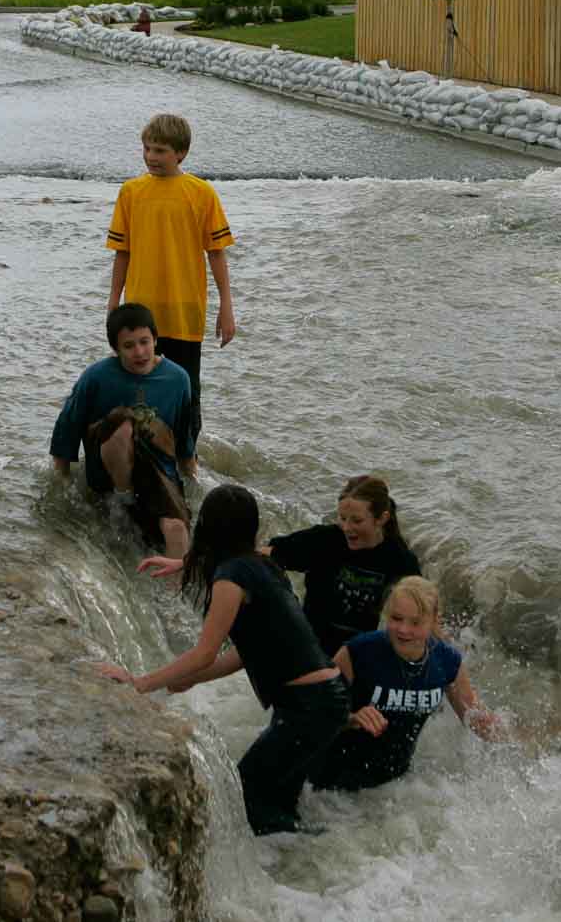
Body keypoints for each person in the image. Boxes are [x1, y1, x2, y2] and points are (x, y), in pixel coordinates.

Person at [102, 485, 346, 836]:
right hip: (324, 700)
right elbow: (245, 654)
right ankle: (305, 866)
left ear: (208, 527)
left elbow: (205, 652)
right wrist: (192, 678)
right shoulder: (264, 566)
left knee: (245, 790)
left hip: (308, 707)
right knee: (276, 803)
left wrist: (140, 683)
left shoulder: (232, 579)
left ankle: (303, 867)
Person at [105, 114, 234, 477]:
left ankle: (187, 460)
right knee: (135, 385)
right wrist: (113, 301)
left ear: (181, 153)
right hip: (140, 313)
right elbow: (122, 252)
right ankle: (136, 453)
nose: (150, 156)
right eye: (146, 148)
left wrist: (226, 308)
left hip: (185, 311)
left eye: (160, 150)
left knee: (186, 392)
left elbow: (217, 253)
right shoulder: (131, 192)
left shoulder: (202, 193)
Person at [308, 577, 500, 792]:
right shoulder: (358, 652)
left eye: (415, 622)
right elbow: (310, 714)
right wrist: (351, 718)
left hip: (392, 790)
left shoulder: (447, 662)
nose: (404, 630)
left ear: (434, 620)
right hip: (329, 786)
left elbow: (477, 721)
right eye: (397, 618)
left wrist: (527, 749)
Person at [50, 302, 195, 558]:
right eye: (129, 346)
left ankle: (176, 595)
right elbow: (67, 427)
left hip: (155, 467)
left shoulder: (178, 379)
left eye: (145, 342)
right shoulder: (96, 377)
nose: (140, 352)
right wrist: (62, 482)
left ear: (156, 339)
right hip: (107, 462)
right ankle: (122, 504)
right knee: (124, 423)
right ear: (116, 349)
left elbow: (184, 434)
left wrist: (189, 477)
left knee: (176, 530)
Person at [266, 475, 421, 656]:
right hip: (307, 650)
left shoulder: (400, 560)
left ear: (381, 518)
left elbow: (422, 615)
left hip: (358, 657)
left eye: (357, 521)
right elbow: (264, 556)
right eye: (342, 518)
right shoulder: (324, 540)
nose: (347, 527)